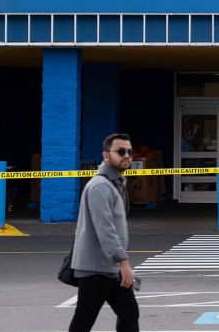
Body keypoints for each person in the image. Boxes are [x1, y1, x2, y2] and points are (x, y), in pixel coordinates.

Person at [69, 133, 140, 332]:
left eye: (129, 151)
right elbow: (105, 229)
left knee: (129, 312)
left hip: (109, 266)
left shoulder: (116, 183)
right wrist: (123, 262)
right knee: (85, 319)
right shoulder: (100, 186)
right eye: (120, 151)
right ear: (106, 155)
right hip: (95, 267)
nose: (126, 155)